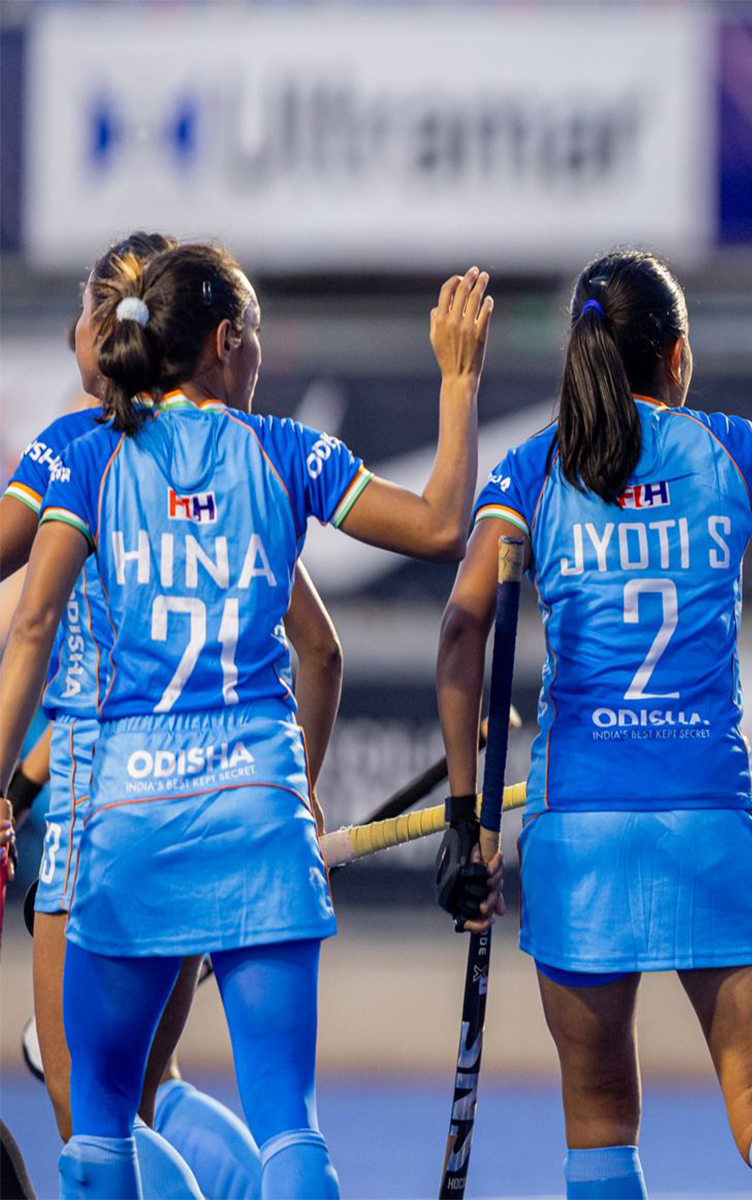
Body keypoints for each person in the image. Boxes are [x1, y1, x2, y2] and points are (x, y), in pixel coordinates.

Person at [0, 242, 494, 1199]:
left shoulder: (86, 453)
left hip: (124, 822)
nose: (261, 355)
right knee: (290, 1129)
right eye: (258, 337)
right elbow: (440, 527)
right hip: (259, 817)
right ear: (226, 341)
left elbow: (32, 623)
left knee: (96, 1126)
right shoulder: (283, 451)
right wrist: (459, 380)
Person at [435, 248, 752, 1199]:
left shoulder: (533, 469)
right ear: (679, 356)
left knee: (600, 1123)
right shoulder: (738, 450)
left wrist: (465, 816)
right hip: (708, 815)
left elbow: (461, 626)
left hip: (581, 829)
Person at [2, 230, 338, 1200]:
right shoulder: (232, 466)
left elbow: (43, 639)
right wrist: (293, 797)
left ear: (107, 329)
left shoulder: (82, 452)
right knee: (167, 1088)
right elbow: (317, 643)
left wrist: (15, 785)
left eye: (83, 312)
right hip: (226, 797)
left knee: (87, 1109)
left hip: (104, 813)